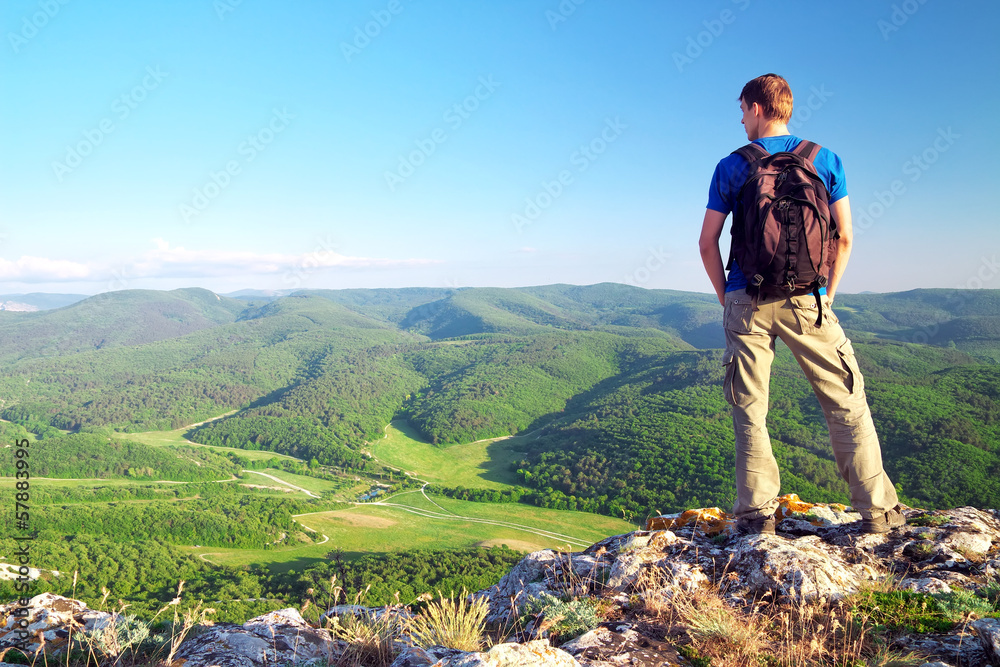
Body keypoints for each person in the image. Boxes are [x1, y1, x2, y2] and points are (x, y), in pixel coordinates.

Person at [697, 73, 905, 535]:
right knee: (845, 400)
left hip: (745, 298)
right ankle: (878, 513)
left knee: (749, 407)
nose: (742, 120)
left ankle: (755, 516)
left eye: (742, 110)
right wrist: (825, 295)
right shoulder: (825, 159)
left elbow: (707, 242)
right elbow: (845, 237)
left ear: (755, 107)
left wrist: (728, 299)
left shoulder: (732, 165)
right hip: (808, 299)